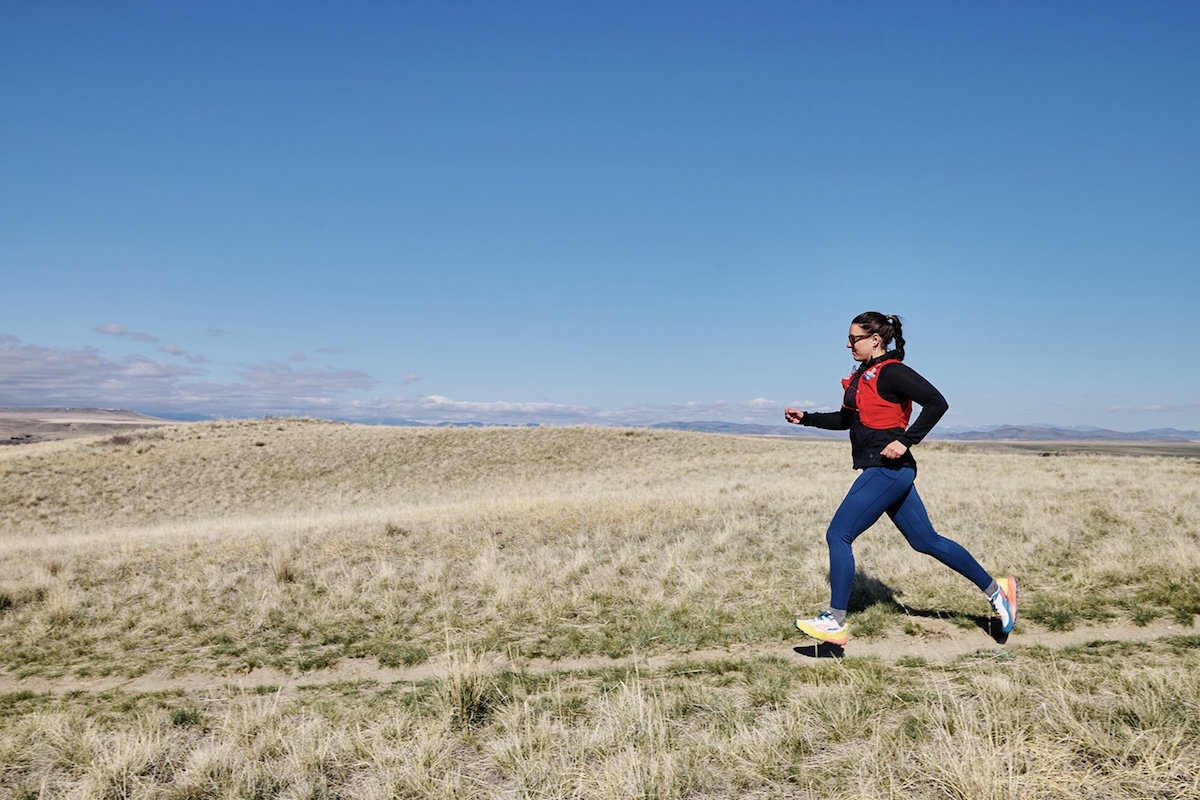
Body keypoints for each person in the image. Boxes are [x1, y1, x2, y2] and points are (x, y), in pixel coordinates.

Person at [784, 311, 1017, 646]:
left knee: (838, 534)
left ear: (875, 339)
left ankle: (835, 622)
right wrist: (806, 418)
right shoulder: (862, 375)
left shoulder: (892, 372)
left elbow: (937, 403)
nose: (848, 344)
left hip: (887, 468)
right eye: (848, 339)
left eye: (854, 338)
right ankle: (999, 592)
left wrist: (906, 439)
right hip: (886, 471)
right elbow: (846, 420)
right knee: (926, 541)